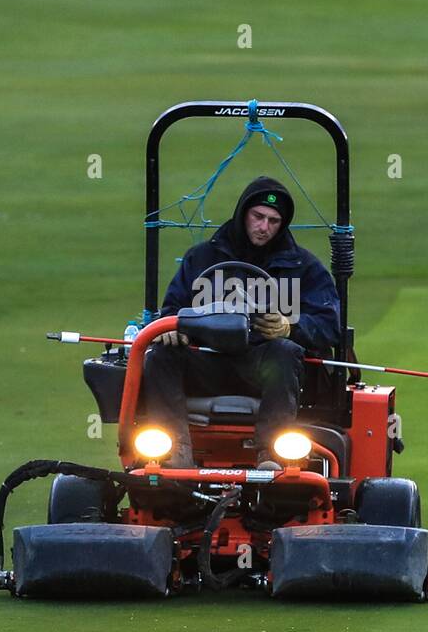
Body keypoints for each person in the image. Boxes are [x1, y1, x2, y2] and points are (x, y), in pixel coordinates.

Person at [142, 176, 341, 469]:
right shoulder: (201, 258)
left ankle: (272, 454)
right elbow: (171, 308)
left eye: (273, 221)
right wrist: (172, 328)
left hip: (265, 368)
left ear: (282, 224)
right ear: (242, 214)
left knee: (285, 352)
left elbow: (329, 324)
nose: (264, 227)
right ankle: (173, 450)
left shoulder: (304, 268)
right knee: (159, 355)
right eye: (258, 217)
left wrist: (291, 327)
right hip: (205, 361)